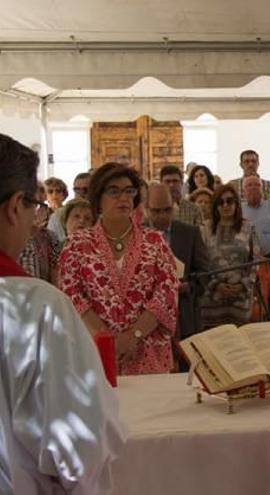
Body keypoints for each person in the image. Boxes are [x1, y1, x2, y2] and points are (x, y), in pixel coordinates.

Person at [0, 134, 125, 494]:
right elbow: (81, 445)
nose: (34, 220)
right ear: (13, 207)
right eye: (34, 206)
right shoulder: (38, 308)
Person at [58, 162, 179, 375]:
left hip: (147, 349)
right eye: (114, 191)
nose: (123, 198)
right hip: (94, 349)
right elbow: (72, 294)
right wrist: (109, 339)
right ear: (98, 199)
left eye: (129, 191)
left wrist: (134, 335)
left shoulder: (154, 241)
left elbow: (166, 293)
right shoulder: (77, 244)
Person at [144, 183, 211, 346]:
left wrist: (189, 286)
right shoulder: (138, 235)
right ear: (146, 208)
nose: (162, 216)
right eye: (156, 211)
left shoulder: (190, 233)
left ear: (174, 205)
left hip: (185, 316)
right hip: (147, 319)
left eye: (167, 210)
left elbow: (205, 273)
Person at [200, 185, 257, 328]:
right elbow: (200, 262)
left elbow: (255, 261)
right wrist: (216, 285)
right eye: (221, 202)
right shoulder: (204, 229)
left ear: (237, 203)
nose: (225, 205)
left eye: (230, 201)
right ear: (215, 206)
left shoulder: (248, 227)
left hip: (241, 297)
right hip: (212, 297)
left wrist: (243, 284)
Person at [241, 175, 270, 310]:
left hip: (269, 255)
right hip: (246, 257)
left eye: (256, 185)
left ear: (262, 189)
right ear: (243, 191)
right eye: (249, 185)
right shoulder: (239, 209)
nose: (253, 188)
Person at [48, 171, 91, 242]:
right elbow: (50, 243)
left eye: (85, 190)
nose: (80, 194)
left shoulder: (98, 215)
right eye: (77, 190)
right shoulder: (58, 215)